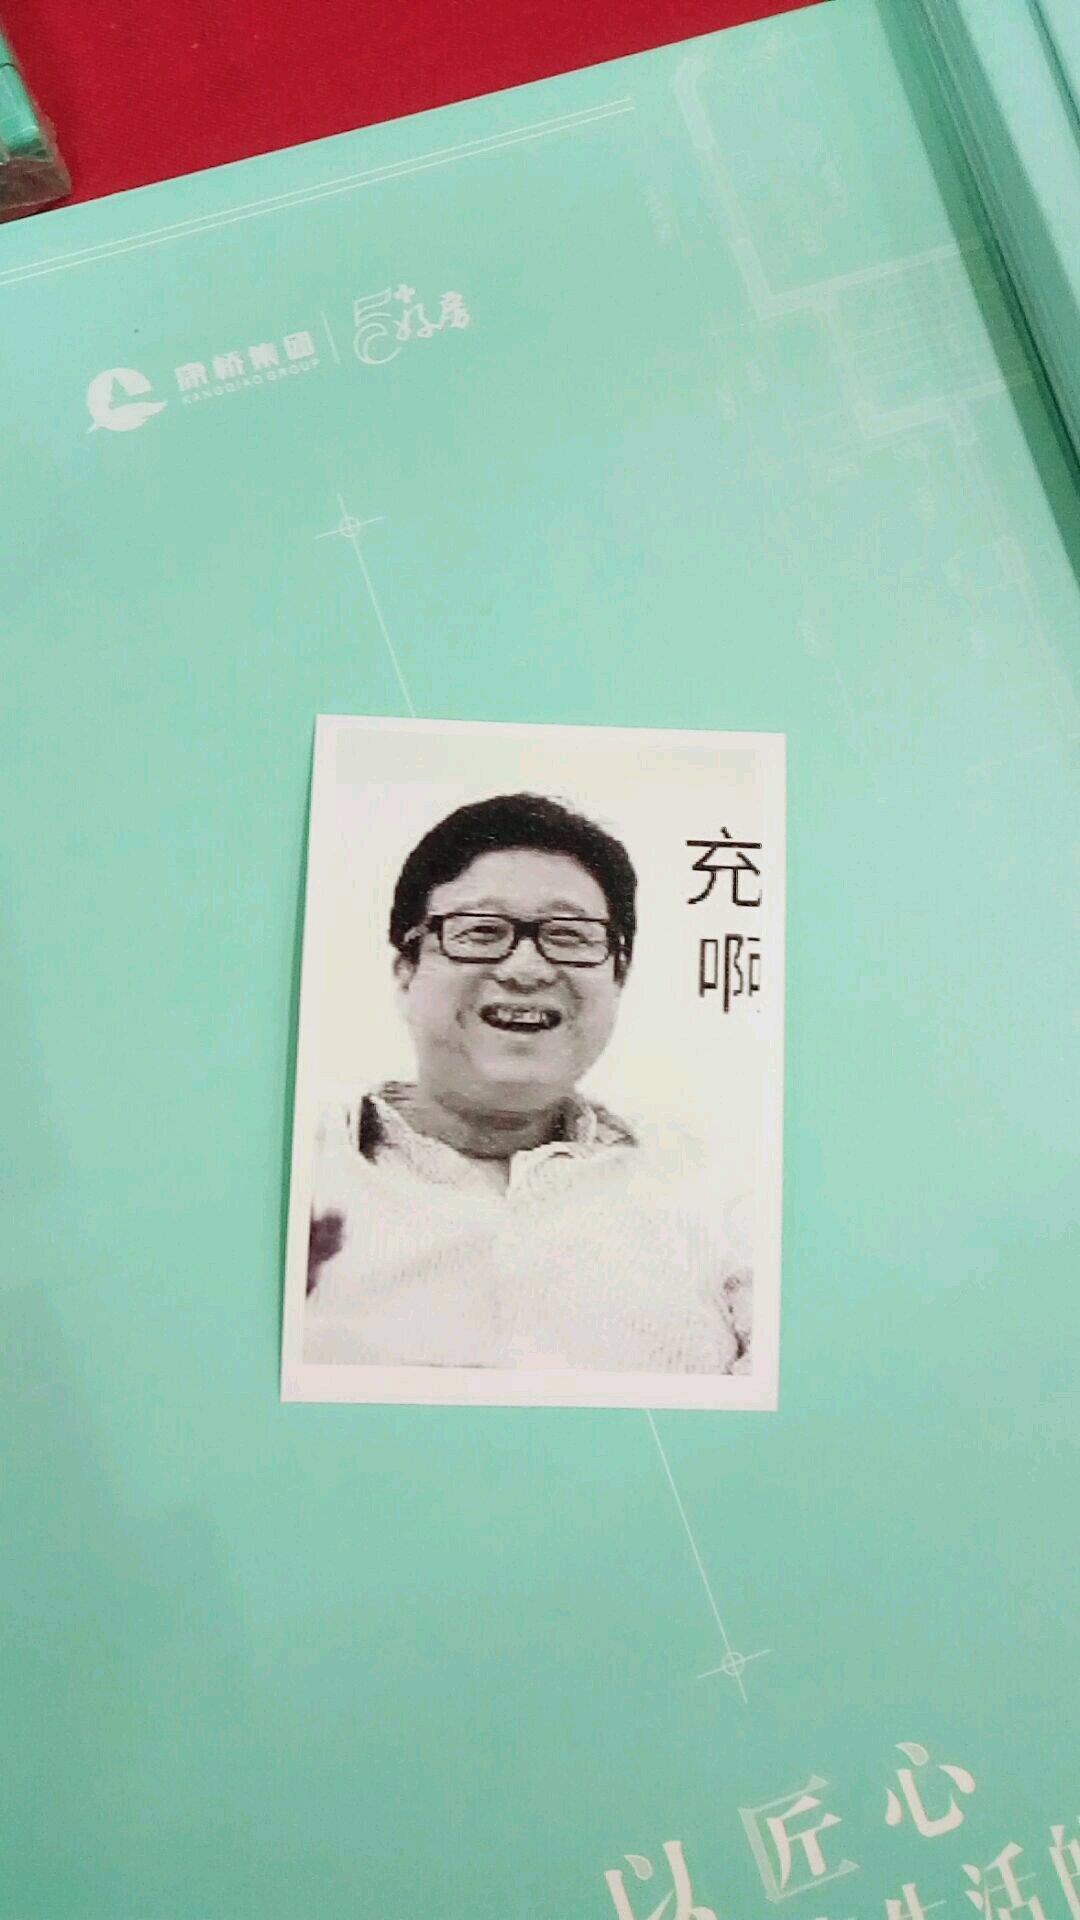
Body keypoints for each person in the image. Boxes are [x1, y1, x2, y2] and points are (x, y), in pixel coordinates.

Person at [304, 793, 750, 1374]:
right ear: (406, 971)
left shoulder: (714, 1185)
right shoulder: (307, 1169)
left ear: (619, 976)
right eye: (480, 931)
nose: (526, 969)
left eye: (569, 935)